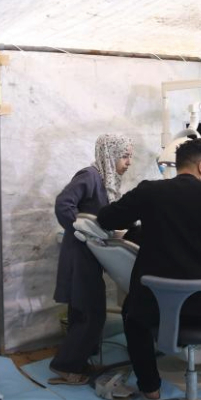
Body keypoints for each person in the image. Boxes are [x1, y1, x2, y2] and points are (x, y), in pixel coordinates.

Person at [97, 138, 201, 400]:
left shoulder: (149, 191)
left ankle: (151, 389)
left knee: (131, 313)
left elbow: (106, 218)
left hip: (159, 309)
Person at [49, 133, 133, 385]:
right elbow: (64, 204)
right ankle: (65, 365)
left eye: (130, 155)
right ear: (110, 153)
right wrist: (84, 232)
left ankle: (80, 359)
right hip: (80, 253)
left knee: (82, 312)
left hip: (90, 253)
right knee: (92, 313)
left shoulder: (106, 180)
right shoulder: (89, 176)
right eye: (125, 155)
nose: (129, 161)